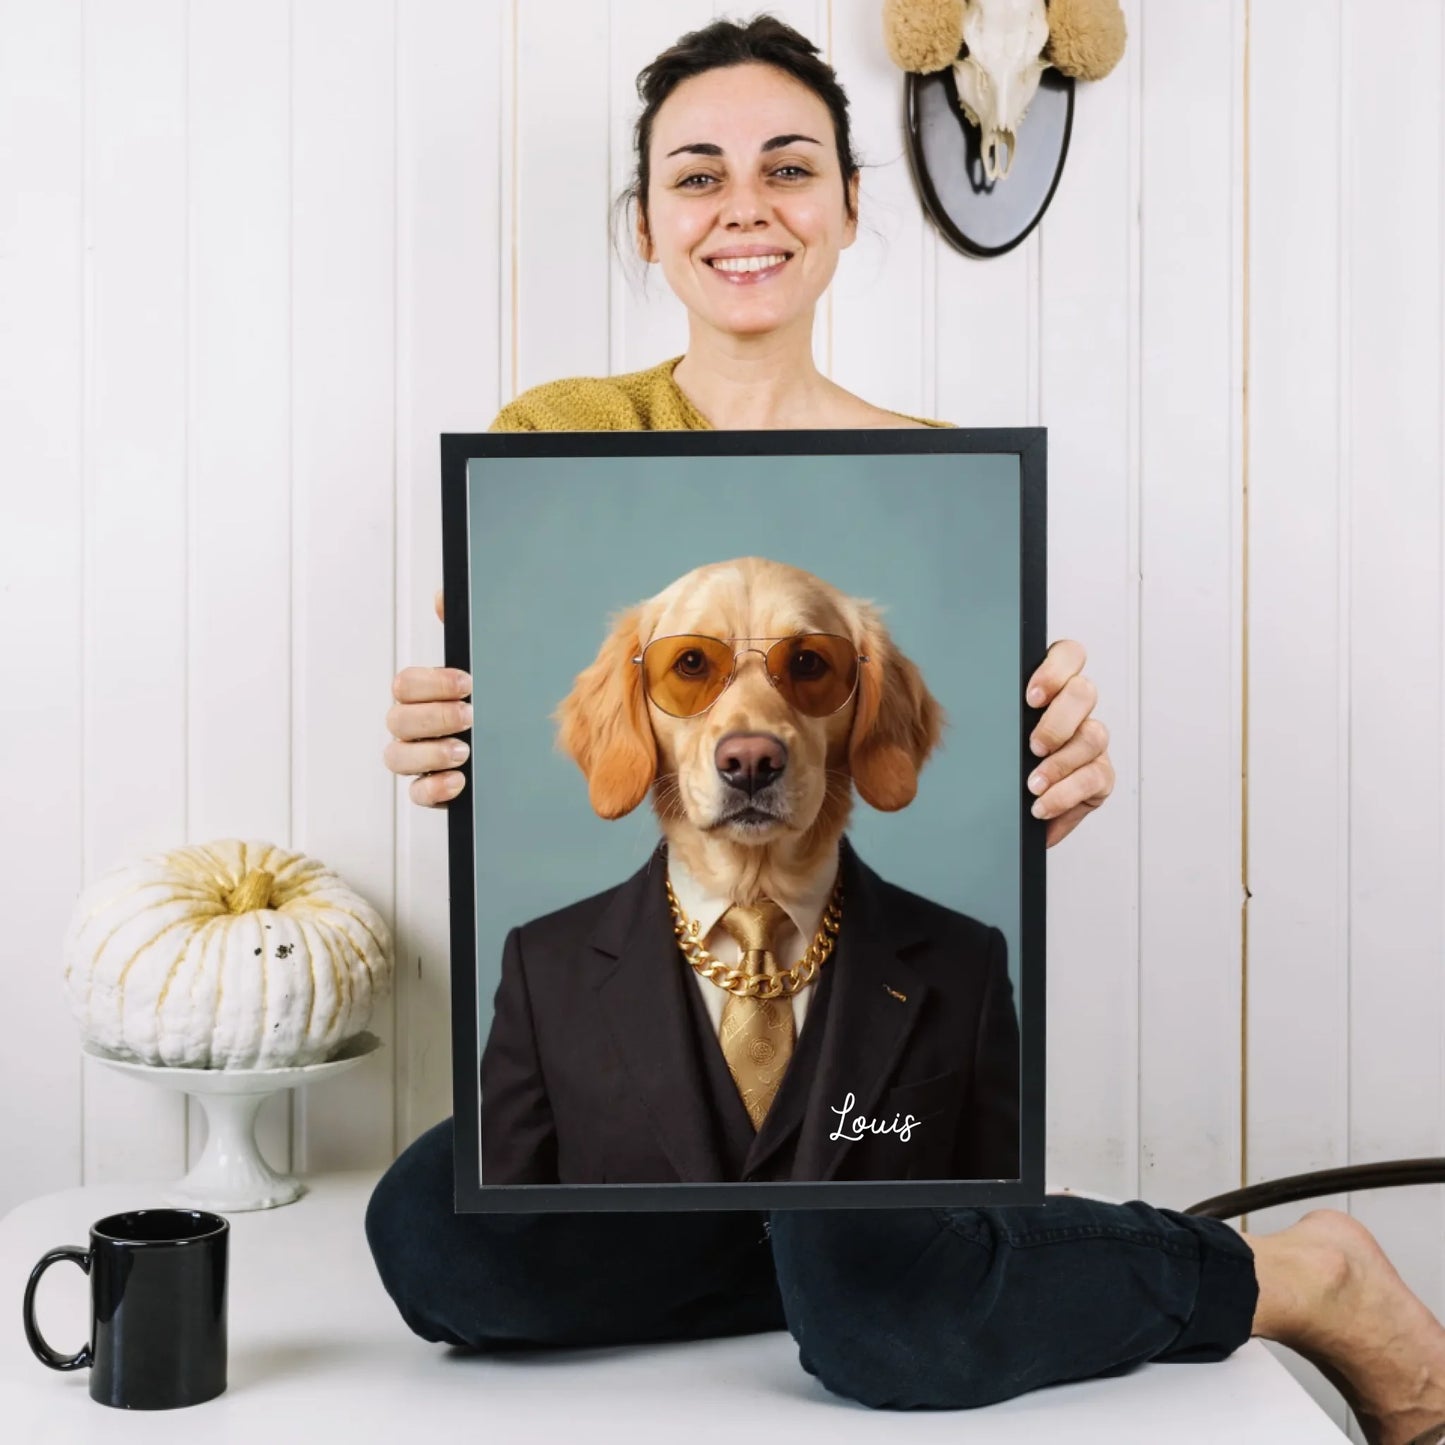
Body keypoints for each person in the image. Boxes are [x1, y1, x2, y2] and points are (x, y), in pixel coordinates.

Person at [367, 16, 1445, 1442]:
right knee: (434, 1239)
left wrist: (1055, 763)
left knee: (887, 1324)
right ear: (644, 224)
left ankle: (1296, 1272)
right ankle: (860, 1248)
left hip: (869, 1046)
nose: (743, 205)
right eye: (696, 175)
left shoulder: (955, 483)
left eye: (787, 166)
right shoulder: (554, 430)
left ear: (850, 205)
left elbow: (979, 779)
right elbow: (491, 677)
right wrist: (430, 723)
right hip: (673, 1026)